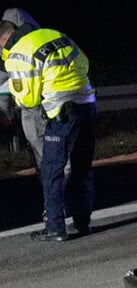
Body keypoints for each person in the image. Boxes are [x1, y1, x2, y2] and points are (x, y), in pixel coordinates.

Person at [0, 18, 96, 242]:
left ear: (4, 40)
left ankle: (55, 227)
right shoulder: (52, 33)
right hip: (88, 102)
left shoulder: (17, 54)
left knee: (51, 170)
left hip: (62, 112)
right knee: (81, 168)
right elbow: (84, 62)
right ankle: (83, 222)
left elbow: (30, 99)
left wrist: (17, 97)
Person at [0, 8, 44, 166]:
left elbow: (4, 74)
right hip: (50, 102)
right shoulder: (41, 38)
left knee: (43, 150)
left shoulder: (15, 48)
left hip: (34, 105)